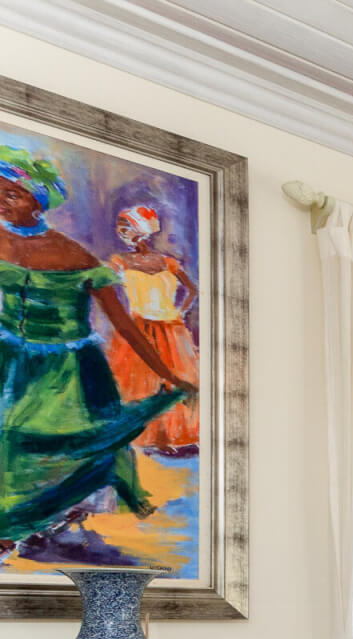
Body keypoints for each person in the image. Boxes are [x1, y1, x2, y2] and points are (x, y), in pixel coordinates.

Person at [0, 147, 192, 549]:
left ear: (38, 202)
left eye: (11, 194)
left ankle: (37, 518)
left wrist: (168, 373)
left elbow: (125, 325)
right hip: (9, 359)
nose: (1, 202)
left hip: (68, 367)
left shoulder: (76, 256)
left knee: (62, 445)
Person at [105, 204, 200, 458]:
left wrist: (180, 312)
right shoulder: (119, 262)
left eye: (127, 228)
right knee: (140, 383)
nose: (122, 233)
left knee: (176, 379)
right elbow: (102, 286)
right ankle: (143, 436)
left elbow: (192, 290)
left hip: (171, 328)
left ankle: (173, 437)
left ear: (141, 230)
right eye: (120, 229)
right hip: (139, 326)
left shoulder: (167, 262)